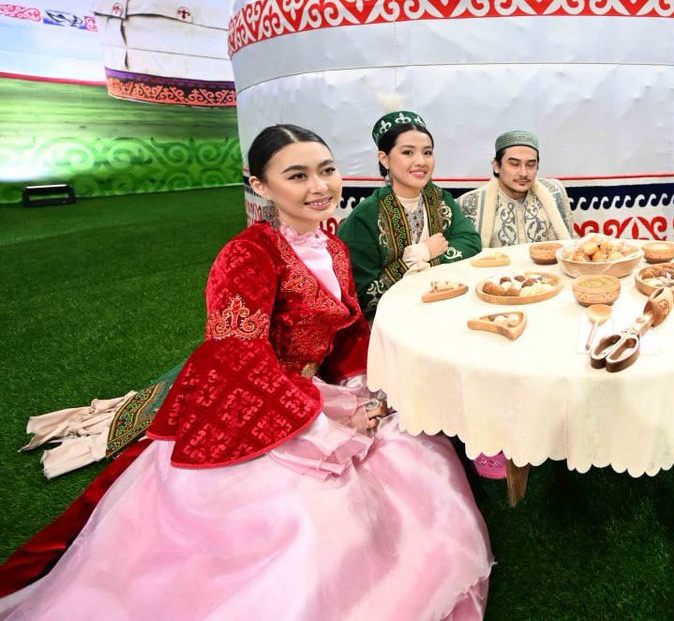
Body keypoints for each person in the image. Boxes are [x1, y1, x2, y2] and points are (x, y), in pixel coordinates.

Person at [0, 124, 493, 619]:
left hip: (313, 386)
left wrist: (364, 386)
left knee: (413, 451)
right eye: (297, 176)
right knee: (312, 521)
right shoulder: (248, 254)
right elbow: (237, 357)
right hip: (250, 406)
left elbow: (346, 330)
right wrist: (327, 413)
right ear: (260, 185)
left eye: (326, 170)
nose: (319, 186)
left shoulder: (333, 248)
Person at [338, 110, 481, 318]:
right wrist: (416, 257)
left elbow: (471, 241)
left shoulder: (439, 198)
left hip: (444, 307)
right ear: (384, 159)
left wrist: (427, 257)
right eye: (408, 152)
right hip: (388, 320)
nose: (421, 161)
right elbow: (362, 296)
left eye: (427, 152)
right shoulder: (365, 217)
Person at [457, 130, 575, 246]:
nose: (523, 173)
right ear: (496, 166)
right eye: (514, 164)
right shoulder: (469, 203)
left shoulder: (554, 192)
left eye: (530, 165)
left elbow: (571, 247)